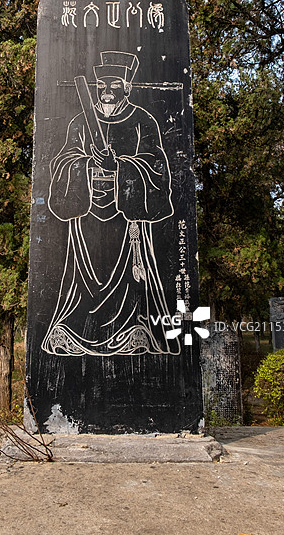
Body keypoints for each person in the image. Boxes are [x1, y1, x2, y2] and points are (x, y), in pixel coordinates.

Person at [43, 50, 178, 356]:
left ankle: (133, 328)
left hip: (126, 212)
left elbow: (156, 164)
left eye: (114, 86)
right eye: (101, 86)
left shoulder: (143, 121)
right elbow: (63, 161)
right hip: (87, 212)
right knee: (82, 277)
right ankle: (73, 328)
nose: (106, 92)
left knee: (129, 276)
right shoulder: (80, 123)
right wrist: (87, 162)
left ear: (126, 88)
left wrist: (122, 166)